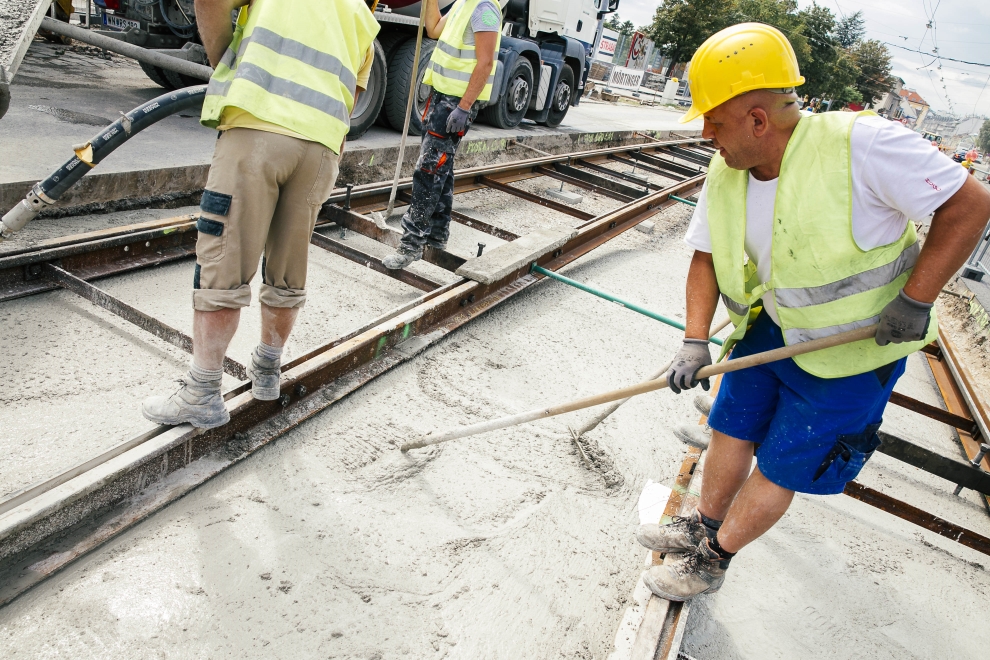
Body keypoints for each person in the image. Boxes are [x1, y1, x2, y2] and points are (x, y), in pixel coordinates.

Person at [636, 23, 990, 602]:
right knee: (731, 426)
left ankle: (713, 559)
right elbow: (704, 256)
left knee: (784, 460)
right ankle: (700, 525)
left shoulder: (863, 144)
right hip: (771, 327)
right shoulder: (727, 172)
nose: (705, 135)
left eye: (714, 121)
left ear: (757, 119)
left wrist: (917, 298)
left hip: (854, 348)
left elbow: (970, 203)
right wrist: (694, 339)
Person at [142, 0, 380, 429]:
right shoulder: (363, 13)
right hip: (322, 149)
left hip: (259, 127)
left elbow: (208, 2)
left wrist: (224, 66)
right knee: (289, 268)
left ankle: (201, 392)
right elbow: (351, 100)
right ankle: (268, 370)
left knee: (223, 261)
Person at [382, 0, 502, 269]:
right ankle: (436, 237)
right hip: (441, 98)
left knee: (428, 170)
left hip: (455, 104)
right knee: (441, 168)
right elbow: (434, 29)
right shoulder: (465, 3)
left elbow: (485, 63)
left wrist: (464, 107)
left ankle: (411, 244)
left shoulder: (484, 8)